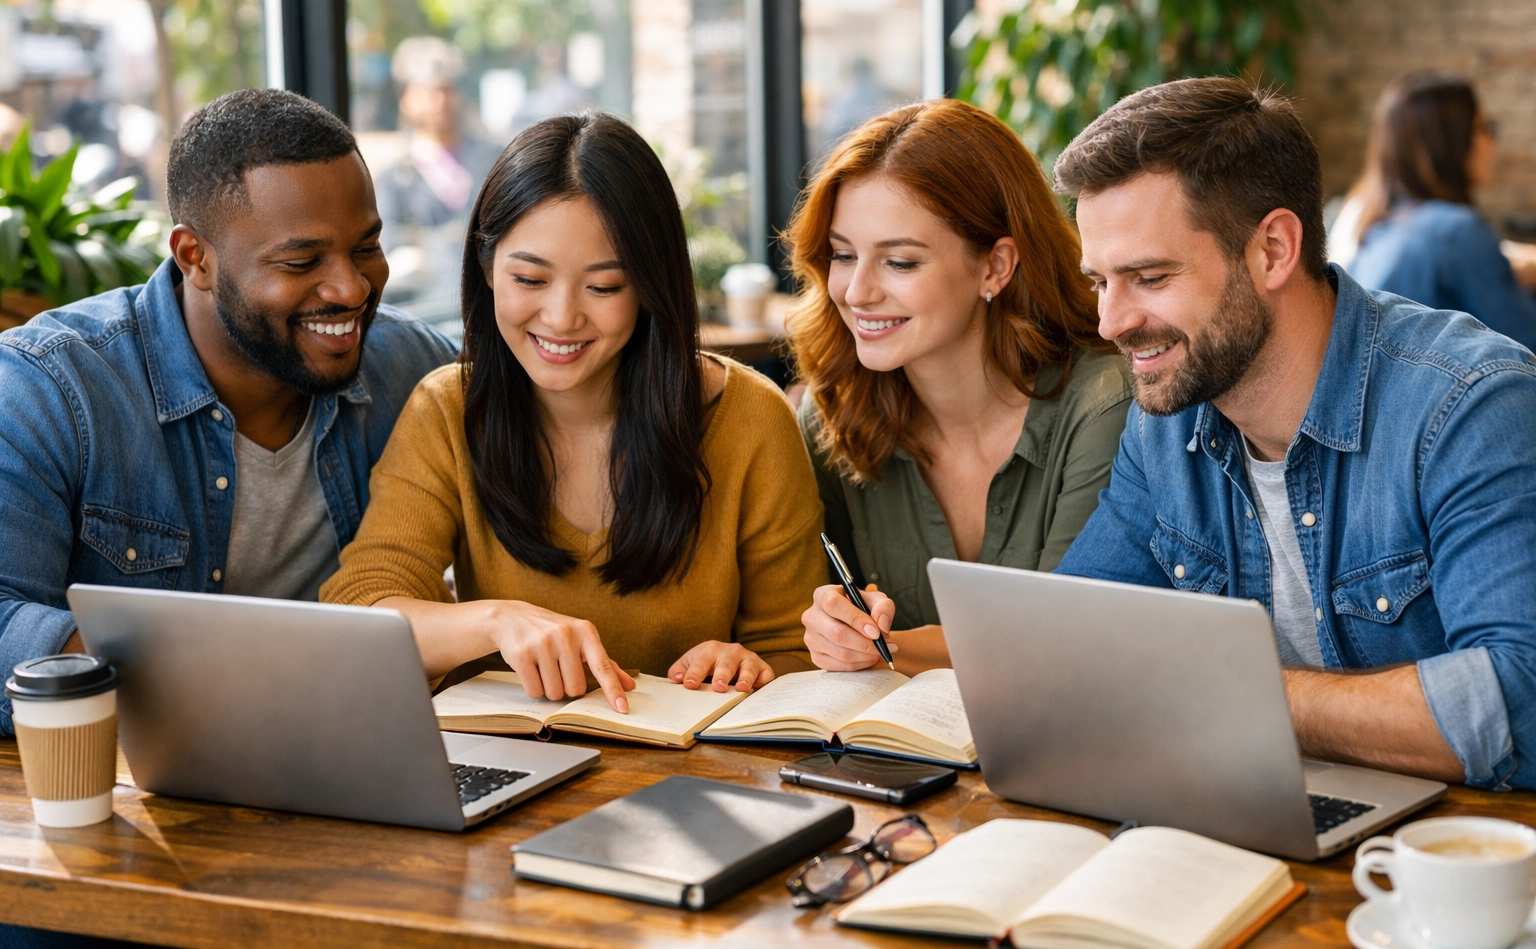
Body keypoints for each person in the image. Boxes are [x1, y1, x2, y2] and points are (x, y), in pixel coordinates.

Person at [0, 89, 456, 948]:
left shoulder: (411, 370)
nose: (350, 287)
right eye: (301, 260)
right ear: (194, 256)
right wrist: (203, 689)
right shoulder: (50, 388)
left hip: (356, 813)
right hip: (121, 836)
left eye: (368, 248)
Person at [1033, 76, 1536, 790]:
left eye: (1147, 277)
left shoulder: (1469, 408)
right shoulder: (1165, 424)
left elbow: (1520, 701)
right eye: (1099, 283)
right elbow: (1070, 643)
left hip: (1453, 866)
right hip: (1255, 818)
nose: (1111, 323)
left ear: (1272, 249)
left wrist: (1237, 694)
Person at [321, 113, 823, 711]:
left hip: (696, 782)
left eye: (604, 287)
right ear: (486, 270)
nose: (561, 318)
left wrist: (752, 668)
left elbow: (799, 652)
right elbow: (361, 606)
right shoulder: (448, 409)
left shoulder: (749, 419)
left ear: (650, 286)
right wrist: (494, 622)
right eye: (530, 278)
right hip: (516, 774)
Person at [792, 99, 1132, 675]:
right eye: (844, 256)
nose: (855, 292)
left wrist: (886, 648)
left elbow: (1062, 641)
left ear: (995, 267)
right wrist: (829, 627)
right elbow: (806, 618)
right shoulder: (833, 409)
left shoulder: (1104, 405)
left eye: (899, 262)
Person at [1336, 72, 1536, 349]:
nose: (1493, 142)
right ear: (1450, 141)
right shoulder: (1458, 231)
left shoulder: (1375, 228)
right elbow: (1528, 342)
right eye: (1483, 127)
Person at [375, 37, 502, 309]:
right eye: (427, 92)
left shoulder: (495, 158)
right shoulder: (396, 177)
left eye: (447, 90)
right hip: (428, 307)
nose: (440, 101)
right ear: (406, 100)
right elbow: (390, 248)